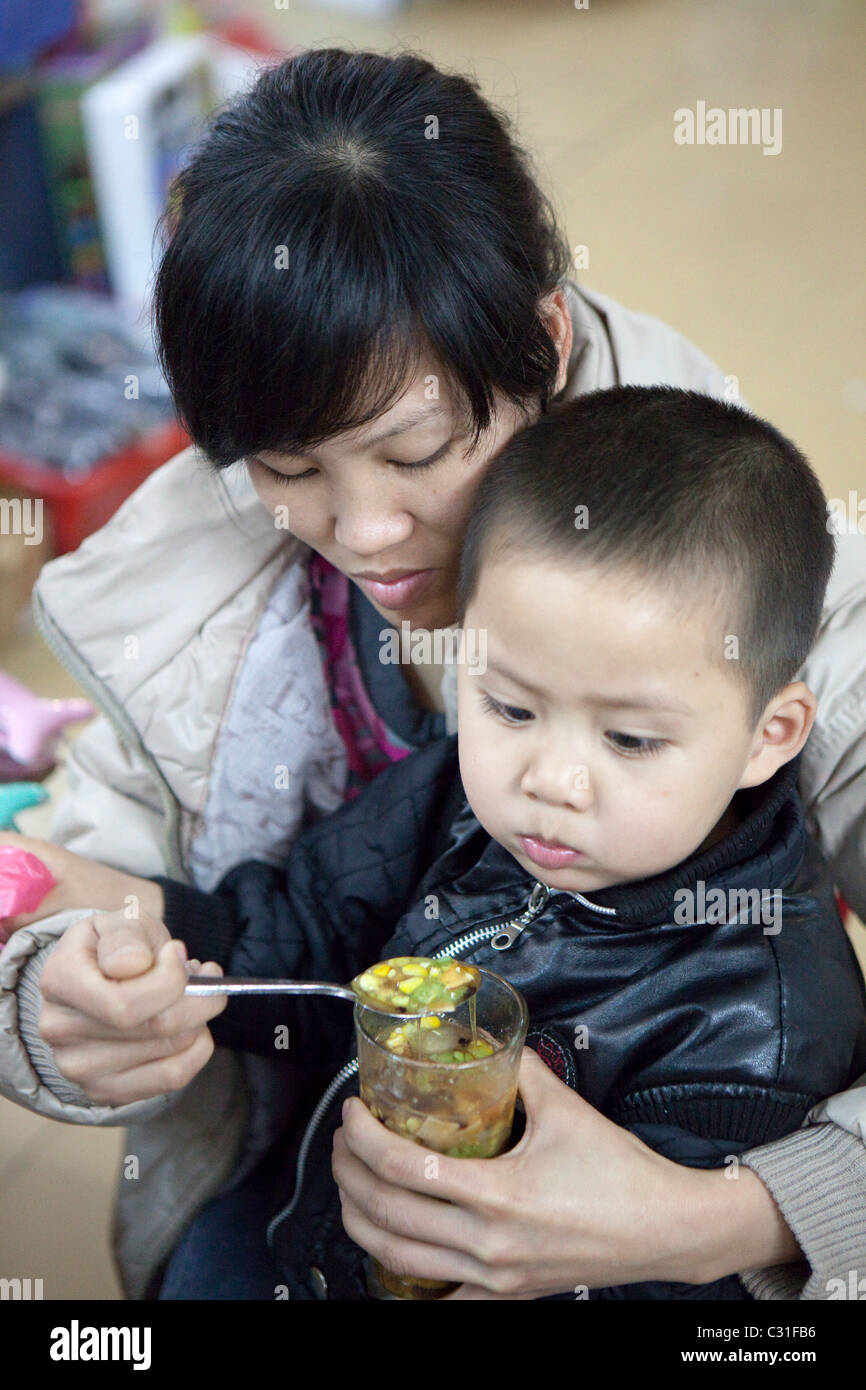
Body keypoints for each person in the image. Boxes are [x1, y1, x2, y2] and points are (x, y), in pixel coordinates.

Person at [1, 49, 865, 1301]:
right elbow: (237, 922)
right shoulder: (187, 576)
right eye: (290, 468)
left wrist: (719, 1220)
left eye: (417, 451)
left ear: (543, 345)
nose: (362, 533)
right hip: (310, 1169)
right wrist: (74, 987)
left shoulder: (767, 598)